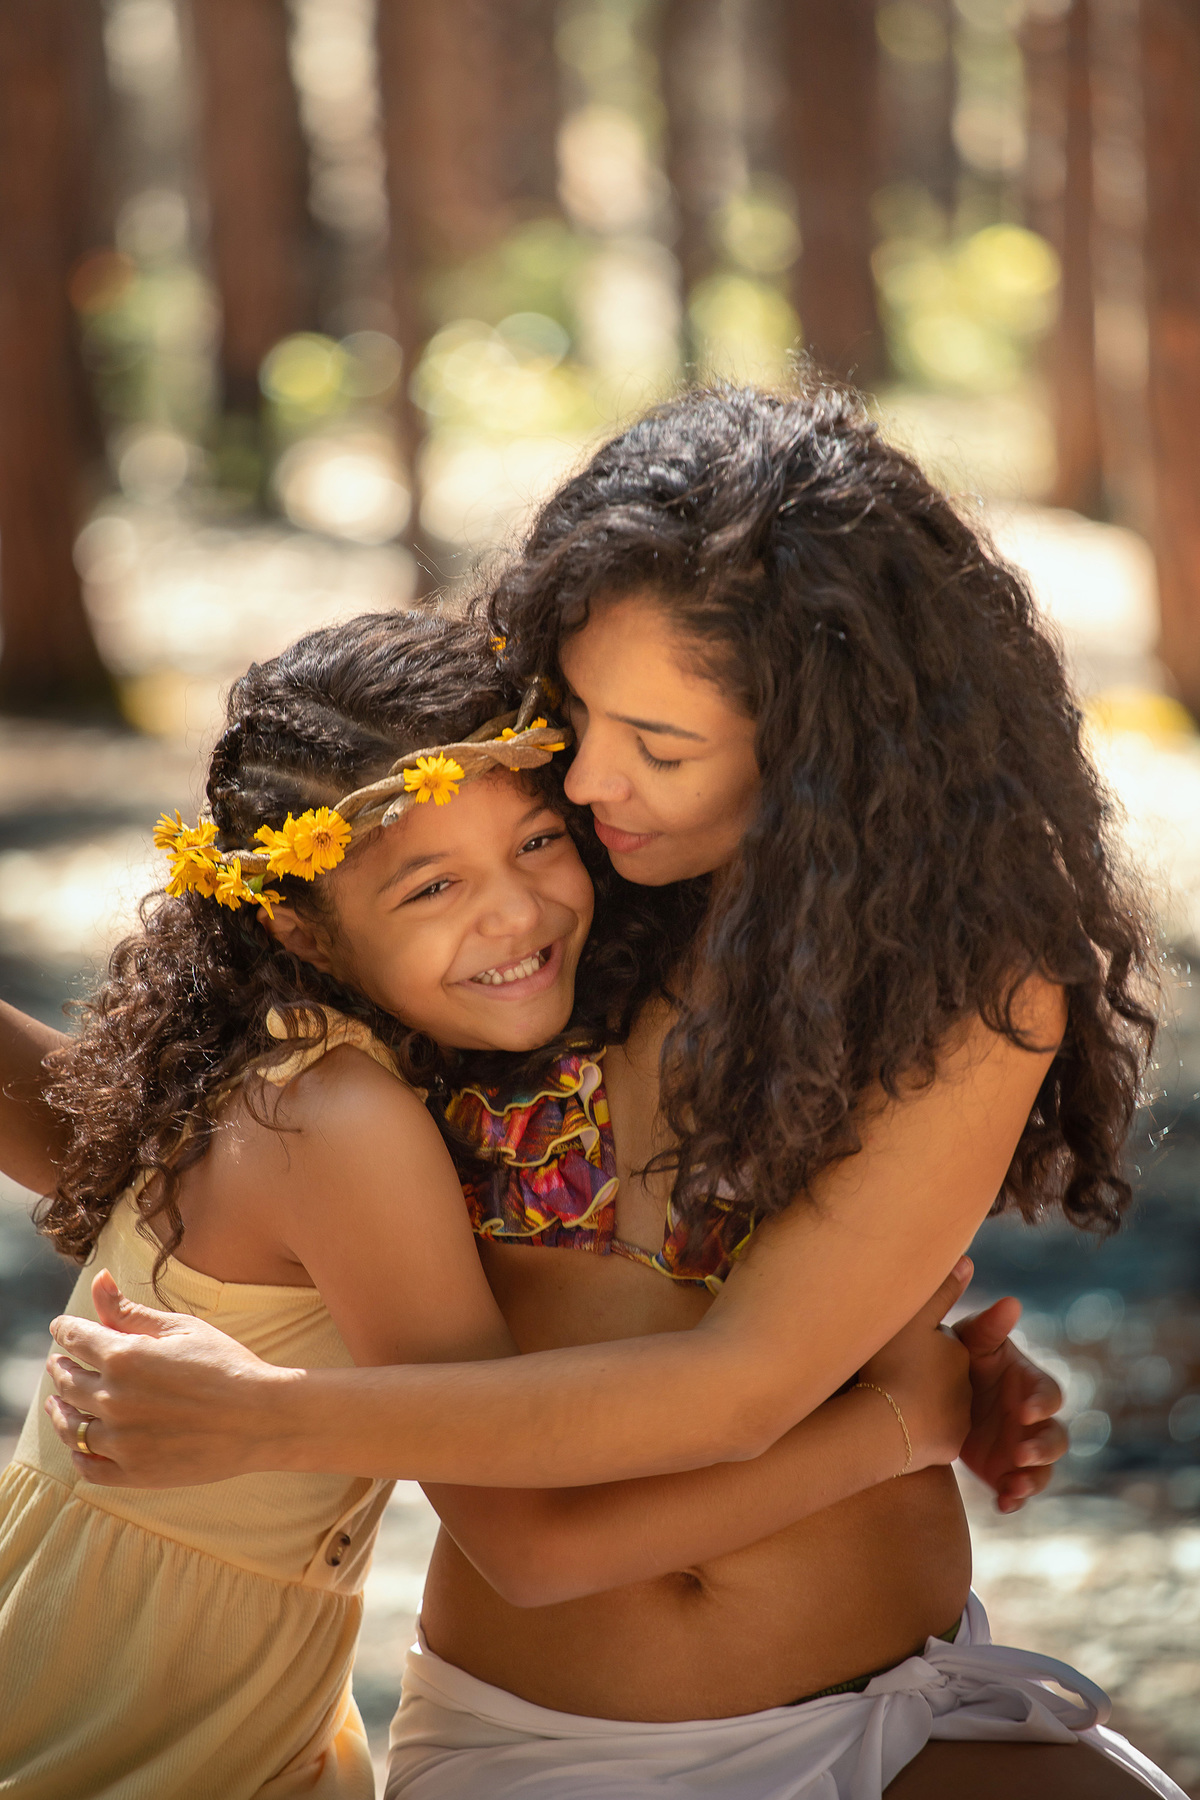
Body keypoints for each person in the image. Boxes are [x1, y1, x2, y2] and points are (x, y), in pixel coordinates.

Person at [28, 382, 1179, 1798]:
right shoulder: (518, 899)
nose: (590, 779)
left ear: (827, 753)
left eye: (662, 745)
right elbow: (165, 1123)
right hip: (551, 1741)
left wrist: (270, 1413)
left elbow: (742, 1385)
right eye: (577, 712)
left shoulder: (959, 984)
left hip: (901, 1697)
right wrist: (908, 1408)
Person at [0, 606, 998, 1800]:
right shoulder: (339, 1118)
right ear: (298, 929)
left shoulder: (307, 1070)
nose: (515, 912)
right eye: (433, 886)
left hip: (234, 1706)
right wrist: (904, 1420)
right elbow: (532, 1545)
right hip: (126, 1726)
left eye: (536, 842)